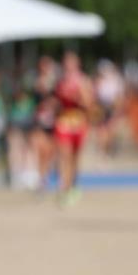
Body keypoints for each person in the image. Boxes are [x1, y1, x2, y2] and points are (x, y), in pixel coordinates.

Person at [54, 51, 95, 206]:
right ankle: (64, 186)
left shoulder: (83, 81)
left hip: (78, 122)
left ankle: (73, 184)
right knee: (65, 154)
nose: (68, 66)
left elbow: (89, 104)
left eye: (71, 63)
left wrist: (78, 97)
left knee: (75, 158)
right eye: (66, 63)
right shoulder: (60, 81)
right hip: (63, 122)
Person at [31, 55, 59, 192]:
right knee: (41, 150)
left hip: (53, 121)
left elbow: (58, 101)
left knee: (50, 151)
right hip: (40, 120)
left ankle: (47, 173)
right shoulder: (36, 82)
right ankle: (41, 178)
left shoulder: (57, 83)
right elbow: (35, 100)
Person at [94, 59, 125, 156]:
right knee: (103, 130)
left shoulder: (116, 79)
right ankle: (103, 149)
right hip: (102, 106)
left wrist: (118, 109)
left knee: (110, 129)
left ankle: (106, 149)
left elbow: (119, 96)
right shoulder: (100, 80)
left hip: (111, 106)